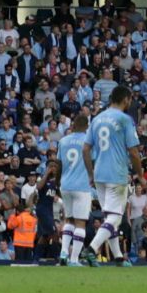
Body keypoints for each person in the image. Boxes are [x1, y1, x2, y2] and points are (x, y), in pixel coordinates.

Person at [86, 85, 140, 266]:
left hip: (99, 173)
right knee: (116, 217)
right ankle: (91, 249)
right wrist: (141, 174)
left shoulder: (97, 119)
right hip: (116, 173)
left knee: (110, 217)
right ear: (126, 99)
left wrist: (90, 173)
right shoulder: (125, 119)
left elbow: (86, 148)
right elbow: (133, 152)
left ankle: (117, 257)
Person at [53, 113, 93, 266]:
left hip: (65, 185)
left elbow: (59, 164)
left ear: (74, 125)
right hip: (82, 186)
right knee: (80, 222)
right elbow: (94, 160)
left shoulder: (63, 141)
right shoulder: (89, 141)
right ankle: (74, 259)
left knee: (69, 220)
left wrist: (57, 183)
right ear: (87, 127)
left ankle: (63, 253)